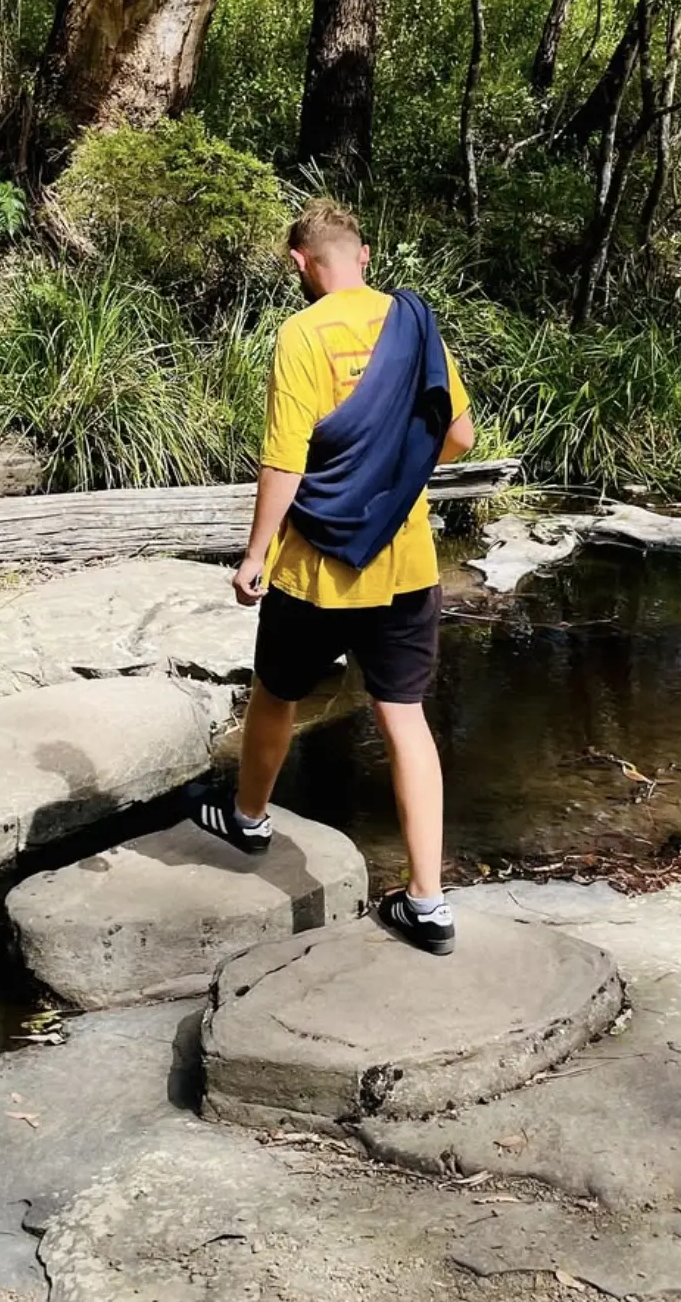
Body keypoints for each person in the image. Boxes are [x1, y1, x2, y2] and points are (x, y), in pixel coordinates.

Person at [189, 198, 474, 956]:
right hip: (405, 561)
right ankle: (429, 903)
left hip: (315, 567)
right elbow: (459, 436)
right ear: (366, 254)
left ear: (299, 264)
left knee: (276, 693)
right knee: (404, 718)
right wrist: (391, 480)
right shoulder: (415, 323)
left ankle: (250, 821)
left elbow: (285, 459)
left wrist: (255, 555)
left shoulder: (301, 334)